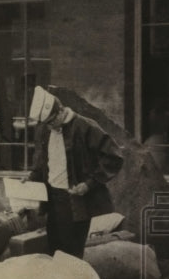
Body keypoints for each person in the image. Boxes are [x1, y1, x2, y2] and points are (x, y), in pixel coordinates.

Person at [26, 86, 124, 259]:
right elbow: (42, 161)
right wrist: (31, 177)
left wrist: (88, 184)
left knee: (72, 253)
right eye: (45, 124)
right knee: (54, 249)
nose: (49, 127)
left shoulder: (84, 127)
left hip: (75, 202)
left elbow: (114, 156)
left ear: (61, 111)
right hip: (52, 200)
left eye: (51, 122)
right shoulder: (45, 131)